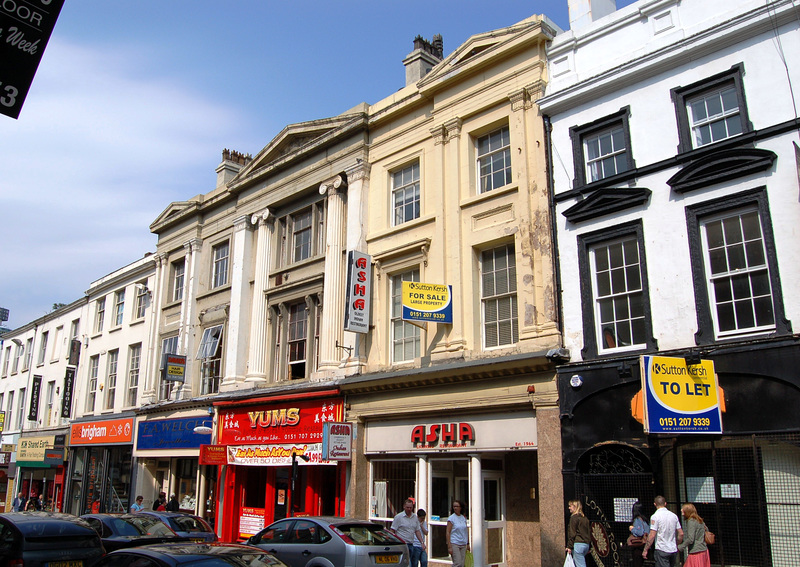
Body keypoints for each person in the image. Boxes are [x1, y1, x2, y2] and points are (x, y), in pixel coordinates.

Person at [643, 496, 683, 567]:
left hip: (661, 549)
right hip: (673, 549)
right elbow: (681, 533)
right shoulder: (674, 516)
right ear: (665, 503)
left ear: (655, 504)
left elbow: (652, 535)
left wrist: (646, 549)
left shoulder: (655, 516)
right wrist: (676, 543)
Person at [391, 499, 427, 565]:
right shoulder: (398, 517)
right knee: (408, 563)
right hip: (402, 544)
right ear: (404, 506)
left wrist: (422, 542)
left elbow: (417, 531)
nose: (409, 509)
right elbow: (392, 531)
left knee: (414, 562)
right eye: (407, 507)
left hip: (411, 544)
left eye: (410, 508)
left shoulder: (415, 517)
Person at [566, 499, 591, 567]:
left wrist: (569, 546)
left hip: (578, 544)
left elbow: (572, 533)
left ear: (575, 507)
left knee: (580, 565)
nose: (569, 508)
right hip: (586, 544)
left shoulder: (574, 518)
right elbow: (589, 532)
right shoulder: (585, 518)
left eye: (570, 506)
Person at [446, 500, 469, 567]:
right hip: (455, 543)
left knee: (462, 564)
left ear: (460, 508)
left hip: (463, 543)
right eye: (454, 506)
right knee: (457, 563)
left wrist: (467, 543)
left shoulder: (463, 518)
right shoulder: (451, 518)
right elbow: (448, 532)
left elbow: (465, 531)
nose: (455, 508)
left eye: (457, 506)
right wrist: (449, 546)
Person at [627, 501, 649, 567]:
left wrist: (632, 529)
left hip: (638, 546)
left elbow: (640, 532)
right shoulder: (646, 520)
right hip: (645, 545)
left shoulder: (637, 520)